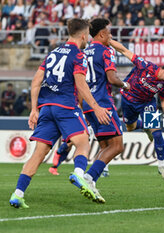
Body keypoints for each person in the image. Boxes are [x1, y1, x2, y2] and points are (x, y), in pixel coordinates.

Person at [9, 18, 111, 209]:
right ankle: (79, 174)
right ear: (83, 35)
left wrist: (34, 109)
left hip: (46, 109)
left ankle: (18, 194)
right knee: (83, 143)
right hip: (66, 106)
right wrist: (96, 107)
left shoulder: (52, 53)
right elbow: (81, 84)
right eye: (88, 34)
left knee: (38, 154)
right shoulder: (78, 55)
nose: (88, 38)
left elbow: (36, 81)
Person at [109, 39, 164, 180]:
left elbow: (163, 100)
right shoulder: (145, 66)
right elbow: (124, 50)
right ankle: (145, 127)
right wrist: (109, 40)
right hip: (128, 99)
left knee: (157, 133)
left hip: (147, 103)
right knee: (130, 127)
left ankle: (161, 165)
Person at [82, 18, 130, 203]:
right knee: (117, 146)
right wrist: (126, 85)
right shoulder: (106, 50)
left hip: (88, 104)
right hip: (103, 103)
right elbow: (112, 78)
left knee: (105, 146)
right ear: (101, 34)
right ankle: (88, 177)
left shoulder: (85, 52)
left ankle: (91, 182)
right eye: (109, 32)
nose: (111, 36)